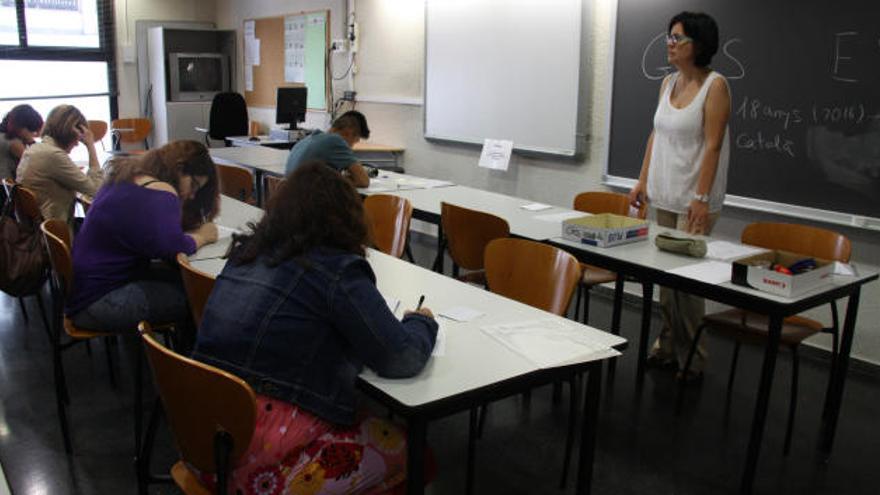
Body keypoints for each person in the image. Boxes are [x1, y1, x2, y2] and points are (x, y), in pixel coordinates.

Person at [193, 161, 438, 494]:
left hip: (205, 442)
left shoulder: (246, 253)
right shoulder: (336, 269)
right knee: (416, 455)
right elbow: (402, 358)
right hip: (262, 467)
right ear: (346, 217)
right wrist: (421, 321)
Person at [628, 11, 731, 380]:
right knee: (667, 283)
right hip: (665, 193)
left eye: (678, 38)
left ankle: (693, 357)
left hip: (693, 200)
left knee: (687, 286)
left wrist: (701, 197)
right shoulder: (668, 83)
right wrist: (641, 181)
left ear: (698, 45)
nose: (670, 44)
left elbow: (714, 145)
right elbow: (655, 135)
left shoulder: (715, 86)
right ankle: (667, 346)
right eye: (669, 37)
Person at [67, 140, 219, 339]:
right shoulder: (161, 191)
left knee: (184, 279)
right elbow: (173, 248)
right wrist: (202, 237)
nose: (192, 195)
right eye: (194, 185)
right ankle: (184, 364)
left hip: (85, 292)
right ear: (180, 169)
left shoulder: (125, 176)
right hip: (100, 302)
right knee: (197, 295)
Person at [15, 105, 103, 224]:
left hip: (38, 229)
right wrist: (91, 146)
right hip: (57, 231)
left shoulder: (34, 149)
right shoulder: (53, 155)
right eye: (78, 136)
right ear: (69, 131)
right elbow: (97, 191)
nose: (78, 143)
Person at [284, 110, 372, 187]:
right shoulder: (335, 140)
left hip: (291, 200)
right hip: (308, 202)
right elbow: (363, 181)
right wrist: (338, 180)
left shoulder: (307, 139)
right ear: (348, 132)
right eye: (354, 142)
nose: (351, 147)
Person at [0, 104, 43, 181]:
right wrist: (31, 141)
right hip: (6, 189)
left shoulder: (3, 136)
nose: (33, 134)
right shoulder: (13, 142)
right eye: (32, 130)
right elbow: (36, 162)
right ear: (24, 127)